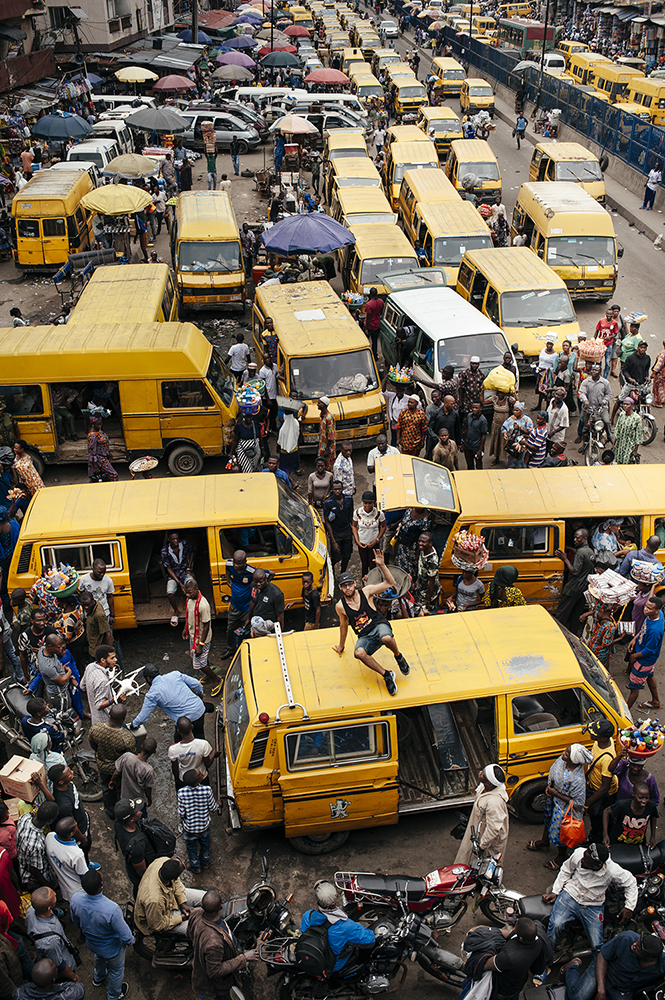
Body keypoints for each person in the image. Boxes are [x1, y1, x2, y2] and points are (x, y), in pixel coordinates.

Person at [334, 549, 409, 697]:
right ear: (340, 588)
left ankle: (398, 656)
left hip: (379, 626)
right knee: (359, 653)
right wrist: (341, 646)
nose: (348, 588)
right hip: (365, 635)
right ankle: (387, 675)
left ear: (355, 583)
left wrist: (382, 565)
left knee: (386, 638)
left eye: (350, 584)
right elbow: (343, 626)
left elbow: (390, 583)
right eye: (344, 586)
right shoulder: (340, 606)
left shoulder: (366, 591)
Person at [543, 843, 637, 952]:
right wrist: (555, 891)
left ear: (597, 866)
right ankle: (546, 959)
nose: (582, 860)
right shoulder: (578, 854)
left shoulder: (612, 870)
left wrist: (629, 907)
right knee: (555, 925)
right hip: (570, 896)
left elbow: (631, 882)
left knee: (597, 945)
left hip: (593, 905)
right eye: (583, 857)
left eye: (586, 861)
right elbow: (566, 870)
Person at [70, 869, 133, 1000]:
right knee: (116, 971)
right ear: (101, 885)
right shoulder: (112, 909)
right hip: (112, 948)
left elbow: (76, 921)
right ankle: (114, 994)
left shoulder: (75, 900)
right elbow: (125, 935)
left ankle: (98, 978)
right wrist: (131, 940)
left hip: (92, 943)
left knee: (99, 958)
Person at [527, 744, 592, 870]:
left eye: (567, 753)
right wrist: (549, 789)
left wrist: (556, 793)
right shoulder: (561, 761)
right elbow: (553, 774)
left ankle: (561, 856)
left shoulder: (577, 779)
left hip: (564, 811)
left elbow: (578, 803)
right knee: (547, 821)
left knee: (561, 835)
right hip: (553, 801)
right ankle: (544, 842)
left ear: (574, 761)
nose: (563, 753)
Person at [187, 889, 258, 1000]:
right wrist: (243, 958)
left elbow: (189, 933)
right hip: (218, 986)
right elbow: (215, 971)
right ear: (221, 907)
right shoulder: (214, 943)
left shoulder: (196, 913)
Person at [564, 930, 665, 1000]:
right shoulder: (626, 938)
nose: (633, 946)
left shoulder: (662, 963)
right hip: (604, 970)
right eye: (636, 943)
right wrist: (601, 990)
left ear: (649, 958)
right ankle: (573, 967)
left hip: (623, 989)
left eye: (637, 949)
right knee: (577, 997)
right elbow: (603, 956)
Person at [301, 881, 375, 973]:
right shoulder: (345, 926)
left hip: (314, 957)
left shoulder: (307, 916)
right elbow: (370, 939)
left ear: (317, 902)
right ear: (336, 897)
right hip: (334, 965)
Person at [130, 663, 207, 738]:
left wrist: (134, 725)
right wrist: (200, 694)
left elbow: (144, 715)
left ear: (148, 679)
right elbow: (197, 684)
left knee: (179, 744)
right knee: (199, 734)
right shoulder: (175, 674)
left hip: (185, 720)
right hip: (199, 708)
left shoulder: (152, 694)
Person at [454, 762, 509, 865]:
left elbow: (493, 828)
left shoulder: (494, 802)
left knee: (485, 865)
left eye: (483, 774)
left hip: (487, 837)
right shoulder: (486, 787)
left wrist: (482, 846)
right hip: (479, 828)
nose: (480, 773)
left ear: (489, 783)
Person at [25, 887, 79, 984]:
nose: (54, 893)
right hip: (61, 973)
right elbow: (59, 965)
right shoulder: (50, 941)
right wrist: (74, 977)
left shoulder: (31, 911)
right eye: (53, 895)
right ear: (49, 908)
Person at [133, 857, 196, 937]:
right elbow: (157, 925)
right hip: (161, 916)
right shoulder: (154, 900)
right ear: (174, 878)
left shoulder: (163, 861)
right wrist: (181, 918)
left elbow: (177, 883)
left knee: (204, 897)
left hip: (171, 895)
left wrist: (183, 903)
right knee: (198, 929)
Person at [584, 718, 619, 843]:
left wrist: (587, 803)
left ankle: (596, 842)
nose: (591, 734)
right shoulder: (601, 742)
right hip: (594, 785)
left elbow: (604, 788)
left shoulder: (607, 758)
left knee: (598, 820)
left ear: (604, 738)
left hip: (603, 794)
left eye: (595, 733)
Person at [177, 768, 219, 873]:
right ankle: (205, 864)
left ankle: (195, 867)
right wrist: (218, 804)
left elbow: (181, 813)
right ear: (198, 781)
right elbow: (213, 808)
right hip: (204, 827)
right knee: (205, 846)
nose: (201, 773)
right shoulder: (207, 790)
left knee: (192, 849)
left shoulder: (181, 793)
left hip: (189, 828)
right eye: (200, 774)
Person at [627, 595, 664, 710]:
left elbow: (650, 650)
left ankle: (624, 714)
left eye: (649, 608)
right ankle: (656, 701)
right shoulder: (655, 615)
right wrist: (635, 638)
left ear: (657, 610)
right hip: (647, 660)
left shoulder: (655, 631)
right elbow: (644, 628)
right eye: (646, 606)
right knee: (649, 675)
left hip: (644, 660)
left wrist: (634, 656)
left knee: (634, 688)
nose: (646, 610)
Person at [555, 528, 595, 633]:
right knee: (575, 615)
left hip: (573, 588)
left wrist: (565, 558)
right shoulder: (590, 551)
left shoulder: (581, 552)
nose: (575, 540)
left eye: (577, 538)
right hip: (583, 588)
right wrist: (566, 548)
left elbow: (575, 571)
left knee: (562, 614)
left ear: (584, 538)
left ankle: (558, 633)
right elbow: (578, 553)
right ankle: (573, 635)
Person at [16, 801, 59, 891]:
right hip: (34, 877)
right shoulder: (36, 845)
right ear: (50, 821)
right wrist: (47, 885)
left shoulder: (24, 818)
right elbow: (34, 870)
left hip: (22, 861)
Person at [44, 817, 89, 902]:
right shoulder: (76, 854)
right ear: (71, 833)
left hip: (64, 887)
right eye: (76, 827)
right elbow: (84, 875)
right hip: (77, 891)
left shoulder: (50, 837)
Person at [168, 715, 218, 791]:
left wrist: (178, 779)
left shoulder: (173, 749)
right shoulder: (203, 744)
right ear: (192, 726)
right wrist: (214, 753)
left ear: (178, 731)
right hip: (201, 777)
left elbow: (175, 768)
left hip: (184, 779)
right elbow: (207, 764)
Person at [182, 578, 217, 685]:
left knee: (200, 664)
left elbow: (206, 625)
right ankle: (209, 675)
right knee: (202, 658)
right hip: (193, 636)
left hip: (203, 639)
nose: (187, 595)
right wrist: (185, 629)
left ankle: (216, 679)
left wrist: (201, 645)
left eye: (190, 592)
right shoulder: (189, 600)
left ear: (197, 589)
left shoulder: (203, 605)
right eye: (186, 592)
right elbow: (189, 616)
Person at [604, 781, 658, 847]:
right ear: (633, 794)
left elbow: (653, 816)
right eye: (640, 798)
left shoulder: (651, 806)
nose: (644, 801)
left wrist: (652, 837)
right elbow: (606, 812)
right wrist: (605, 834)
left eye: (646, 798)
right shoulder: (623, 805)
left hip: (638, 843)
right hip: (618, 841)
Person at [110, 739, 156, 812]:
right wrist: (149, 799)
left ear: (141, 746)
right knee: (140, 818)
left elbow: (117, 772)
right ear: (154, 752)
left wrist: (112, 780)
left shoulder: (127, 756)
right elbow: (148, 788)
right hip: (139, 801)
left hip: (125, 796)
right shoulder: (148, 770)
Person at [161, 531, 194, 626]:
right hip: (173, 575)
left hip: (185, 571)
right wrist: (179, 583)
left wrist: (189, 567)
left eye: (177, 538)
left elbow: (192, 551)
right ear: (169, 540)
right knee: (170, 593)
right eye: (173, 539)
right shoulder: (165, 551)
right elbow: (168, 568)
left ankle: (193, 609)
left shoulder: (184, 543)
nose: (176, 541)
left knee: (193, 587)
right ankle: (176, 611)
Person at [79, 644, 117, 726]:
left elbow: (82, 686)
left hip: (95, 718)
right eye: (112, 658)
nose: (115, 660)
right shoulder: (103, 681)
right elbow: (99, 705)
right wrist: (115, 699)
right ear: (103, 660)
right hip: (106, 720)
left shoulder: (90, 666)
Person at [12, 958, 85, 1000]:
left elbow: (19, 990)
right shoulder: (65, 996)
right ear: (53, 980)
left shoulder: (20, 994)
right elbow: (80, 988)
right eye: (55, 969)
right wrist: (60, 985)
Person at [323, 480, 354, 574]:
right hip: (335, 533)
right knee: (336, 557)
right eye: (335, 489)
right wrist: (333, 541)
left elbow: (351, 516)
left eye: (339, 489)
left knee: (347, 555)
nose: (337, 491)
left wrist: (354, 531)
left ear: (342, 489)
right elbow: (327, 522)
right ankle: (332, 574)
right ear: (332, 489)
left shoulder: (349, 499)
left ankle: (342, 573)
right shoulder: (328, 503)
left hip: (347, 531)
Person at [352, 491, 385, 577]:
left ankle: (373, 582)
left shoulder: (379, 513)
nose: (367, 505)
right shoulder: (357, 513)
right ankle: (364, 583)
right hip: (362, 543)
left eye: (370, 503)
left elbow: (384, 527)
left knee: (373, 564)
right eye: (365, 503)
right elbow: (354, 526)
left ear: (374, 503)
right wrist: (357, 540)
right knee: (364, 563)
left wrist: (377, 539)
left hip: (373, 543)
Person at [79, 559, 114, 626]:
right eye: (99, 572)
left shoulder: (108, 580)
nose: (102, 574)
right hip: (89, 614)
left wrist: (112, 615)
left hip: (104, 613)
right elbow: (81, 596)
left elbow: (110, 597)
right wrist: (83, 613)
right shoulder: (84, 579)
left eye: (104, 572)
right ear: (93, 569)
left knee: (108, 634)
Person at [78, 591, 112, 659]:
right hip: (92, 645)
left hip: (97, 651)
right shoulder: (92, 607)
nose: (86, 607)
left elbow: (108, 634)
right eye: (84, 605)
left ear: (92, 600)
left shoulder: (99, 615)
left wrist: (110, 654)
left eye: (88, 604)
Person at [413, 531, 441, 613]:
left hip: (428, 592)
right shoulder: (424, 550)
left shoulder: (432, 560)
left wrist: (428, 600)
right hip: (421, 585)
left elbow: (431, 582)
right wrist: (418, 581)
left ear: (430, 543)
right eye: (419, 541)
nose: (420, 543)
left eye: (423, 542)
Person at [502, 401, 533, 469]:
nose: (515, 412)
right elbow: (504, 427)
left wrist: (519, 428)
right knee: (512, 459)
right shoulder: (510, 419)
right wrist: (505, 433)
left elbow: (531, 432)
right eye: (514, 410)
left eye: (517, 410)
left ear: (521, 410)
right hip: (512, 445)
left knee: (522, 460)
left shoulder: (527, 420)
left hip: (522, 446)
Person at [86, 417, 118, 483]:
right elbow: (91, 452)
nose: (100, 426)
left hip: (104, 457)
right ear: (93, 424)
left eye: (100, 424)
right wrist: (95, 467)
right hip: (99, 460)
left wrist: (108, 453)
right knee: (113, 475)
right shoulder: (92, 435)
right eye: (98, 424)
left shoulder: (99, 431)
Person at [486, 391, 513, 465]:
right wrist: (482, 390)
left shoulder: (508, 399)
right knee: (497, 442)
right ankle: (497, 458)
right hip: (496, 426)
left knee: (507, 443)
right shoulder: (494, 399)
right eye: (499, 393)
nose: (501, 395)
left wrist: (515, 392)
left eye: (502, 393)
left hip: (506, 427)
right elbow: (482, 402)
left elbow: (517, 403)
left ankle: (509, 460)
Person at [614, 397, 642, 465]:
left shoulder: (636, 418)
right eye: (624, 404)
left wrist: (635, 451)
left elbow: (638, 436)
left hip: (629, 446)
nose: (625, 406)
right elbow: (617, 430)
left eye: (627, 404)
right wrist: (614, 444)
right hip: (620, 444)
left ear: (632, 406)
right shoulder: (621, 415)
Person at [464, 400, 488, 470]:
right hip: (467, 445)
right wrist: (463, 442)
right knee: (469, 464)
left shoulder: (483, 420)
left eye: (477, 408)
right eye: (473, 407)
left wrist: (480, 450)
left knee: (479, 465)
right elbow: (466, 428)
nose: (474, 409)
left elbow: (484, 435)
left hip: (476, 446)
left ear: (481, 408)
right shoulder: (469, 416)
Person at [316, 397, 336, 472]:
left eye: (319, 403)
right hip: (322, 445)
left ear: (324, 405)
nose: (317, 404)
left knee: (329, 465)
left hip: (328, 447)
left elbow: (331, 436)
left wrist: (327, 449)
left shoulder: (329, 417)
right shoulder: (322, 415)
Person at [364, 287, 384, 357]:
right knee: (374, 341)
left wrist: (366, 328)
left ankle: (365, 355)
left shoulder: (369, 304)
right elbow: (382, 312)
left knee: (366, 341)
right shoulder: (381, 302)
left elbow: (369, 317)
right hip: (377, 325)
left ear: (370, 294)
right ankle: (374, 356)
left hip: (370, 326)